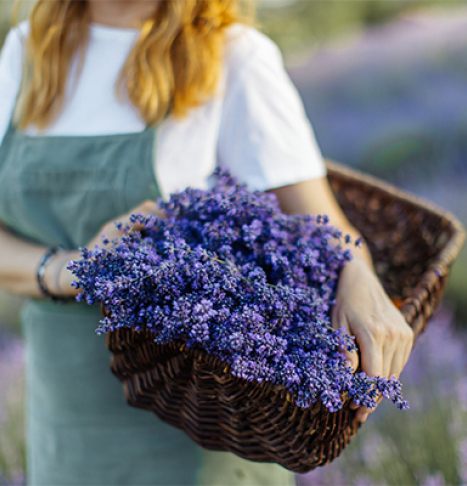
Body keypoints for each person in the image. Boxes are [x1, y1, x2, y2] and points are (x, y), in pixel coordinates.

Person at [0, 0, 414, 484]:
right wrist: (71, 269)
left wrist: (360, 279)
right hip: (66, 429)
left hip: (201, 441)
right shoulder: (28, 50)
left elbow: (323, 231)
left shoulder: (232, 53)